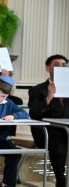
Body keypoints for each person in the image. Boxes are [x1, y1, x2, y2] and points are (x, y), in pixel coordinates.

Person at [28, 54, 68, 187]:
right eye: (56, 65)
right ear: (48, 68)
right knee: (58, 146)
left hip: (66, 130)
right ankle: (62, 183)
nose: (61, 67)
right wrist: (49, 96)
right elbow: (35, 114)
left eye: (64, 65)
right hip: (47, 130)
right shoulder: (37, 90)